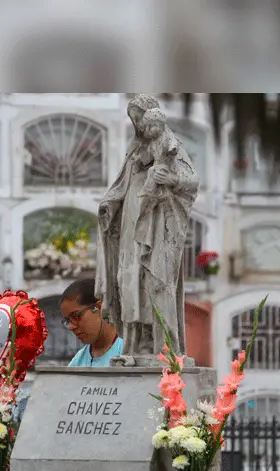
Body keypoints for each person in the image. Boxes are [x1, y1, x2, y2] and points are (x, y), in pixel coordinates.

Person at [96, 94, 199, 357]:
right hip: (132, 222)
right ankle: (133, 346)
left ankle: (164, 348)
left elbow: (191, 181)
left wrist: (171, 178)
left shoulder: (170, 146)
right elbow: (121, 185)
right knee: (130, 282)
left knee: (157, 282)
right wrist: (110, 204)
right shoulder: (134, 151)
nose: (140, 125)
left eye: (142, 118)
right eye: (136, 120)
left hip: (159, 222)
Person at [13, 279, 123, 422]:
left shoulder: (125, 349)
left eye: (76, 316)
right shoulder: (81, 358)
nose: (71, 327)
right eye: (67, 321)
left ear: (99, 308)